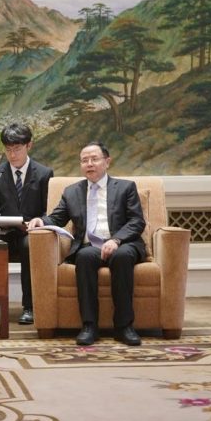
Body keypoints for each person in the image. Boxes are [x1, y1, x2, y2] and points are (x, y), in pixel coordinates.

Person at [27, 141, 145, 346]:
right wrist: (41, 221)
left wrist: (116, 240)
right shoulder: (72, 192)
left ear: (107, 162)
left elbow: (137, 221)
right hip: (90, 246)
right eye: (84, 160)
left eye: (94, 159)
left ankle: (124, 327)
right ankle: (89, 326)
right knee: (83, 256)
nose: (89, 164)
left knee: (122, 256)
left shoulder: (125, 187)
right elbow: (56, 218)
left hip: (122, 243)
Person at [0, 123, 53, 325]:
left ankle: (29, 307)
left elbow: (49, 211)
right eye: (8, 150)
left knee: (28, 246)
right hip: (5, 231)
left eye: (17, 149)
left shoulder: (44, 174)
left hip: (31, 233)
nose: (12, 155)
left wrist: (38, 222)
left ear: (29, 145)